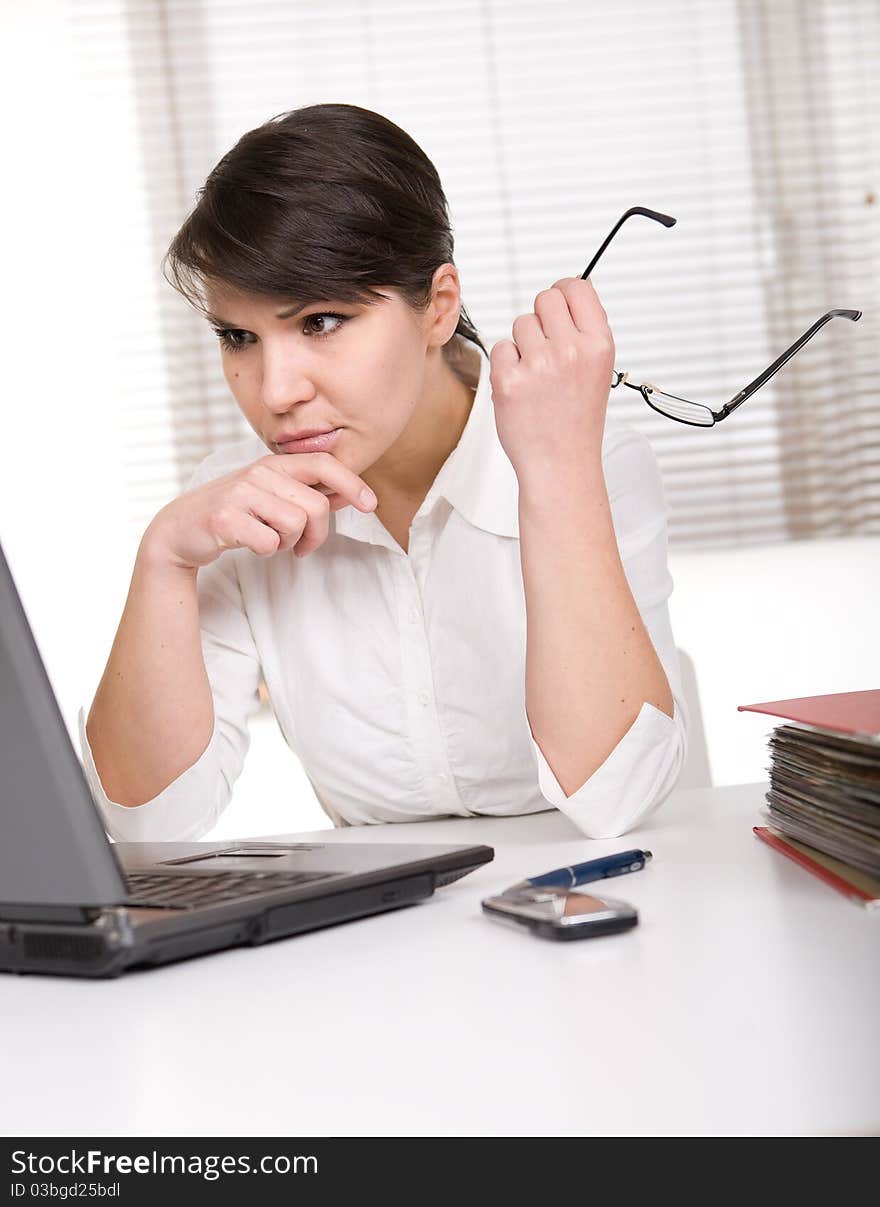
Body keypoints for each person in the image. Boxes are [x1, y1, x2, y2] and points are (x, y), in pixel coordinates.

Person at [79, 102, 688, 843]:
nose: (275, 392)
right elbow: (146, 823)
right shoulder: (234, 503)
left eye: (320, 323)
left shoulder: (591, 460)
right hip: (380, 935)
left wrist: (558, 475)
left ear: (437, 308)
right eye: (239, 336)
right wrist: (164, 558)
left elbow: (618, 796)